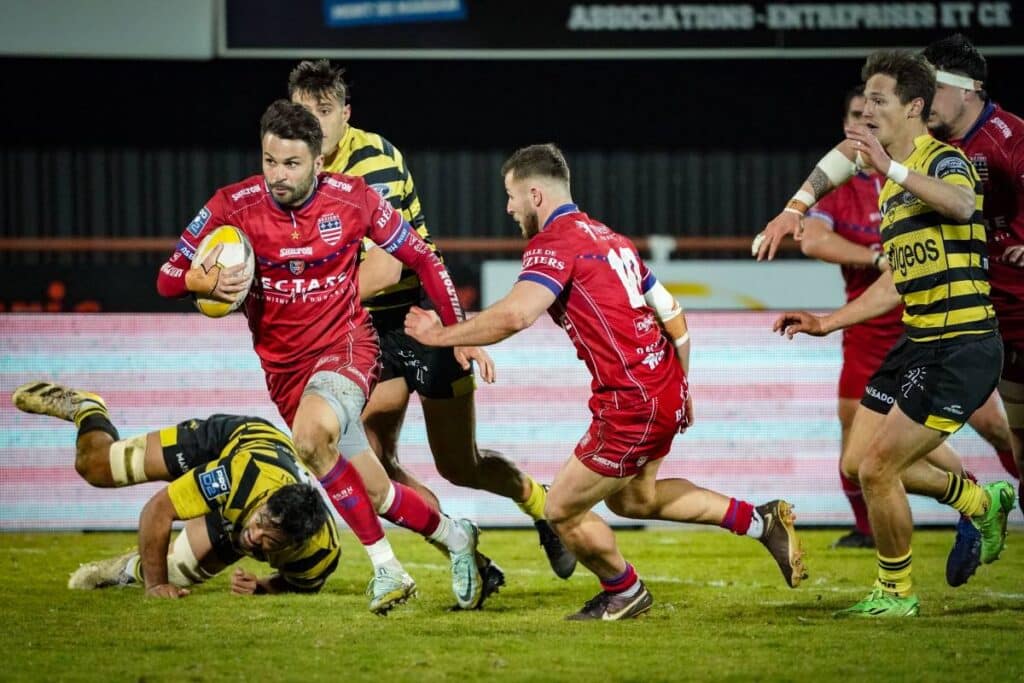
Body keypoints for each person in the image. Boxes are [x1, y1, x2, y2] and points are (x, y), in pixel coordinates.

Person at [404, 143, 807, 621]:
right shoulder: (613, 239)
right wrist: (681, 385)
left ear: (535, 194)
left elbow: (517, 314)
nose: (508, 208)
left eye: (511, 196)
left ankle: (624, 591)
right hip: (661, 384)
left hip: (633, 400)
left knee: (560, 509)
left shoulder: (556, 242)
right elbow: (672, 312)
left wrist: (441, 335)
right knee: (636, 498)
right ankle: (761, 521)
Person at [156, 100, 483, 614]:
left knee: (310, 439)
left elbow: (422, 256)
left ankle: (388, 570)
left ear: (318, 162)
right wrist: (200, 279)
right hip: (286, 374)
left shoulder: (353, 199)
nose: (278, 175)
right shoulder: (232, 205)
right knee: (375, 492)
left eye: (291, 164)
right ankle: (456, 537)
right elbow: (167, 277)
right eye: (270, 161)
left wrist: (458, 329)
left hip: (347, 348)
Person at [287, 59, 576, 580]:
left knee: (459, 465)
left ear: (346, 114)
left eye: (324, 112)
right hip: (366, 332)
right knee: (373, 467)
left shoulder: (372, 160)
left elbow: (387, 267)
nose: (314, 126)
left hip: (423, 319)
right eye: (304, 115)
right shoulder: (296, 175)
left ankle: (541, 506)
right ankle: (465, 554)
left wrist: (304, 300)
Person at [770, 50, 1016, 617]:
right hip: (917, 341)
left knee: (880, 468)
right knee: (858, 462)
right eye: (863, 102)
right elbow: (897, 282)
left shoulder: (945, 161)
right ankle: (980, 501)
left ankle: (897, 592)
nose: (866, 112)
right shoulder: (890, 185)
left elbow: (962, 204)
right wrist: (826, 321)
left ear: (913, 107)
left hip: (961, 344)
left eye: (878, 101)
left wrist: (891, 168)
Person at [11, 381, 338, 598]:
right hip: (232, 442)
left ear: (295, 544)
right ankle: (87, 407)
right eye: (261, 520)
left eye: (271, 540)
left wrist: (262, 587)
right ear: (265, 502)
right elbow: (158, 509)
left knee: (176, 573)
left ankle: (119, 570)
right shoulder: (241, 477)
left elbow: (300, 583)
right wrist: (155, 586)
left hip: (240, 504)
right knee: (95, 466)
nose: (255, 535)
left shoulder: (318, 554)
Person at [922, 34, 1024, 490]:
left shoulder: (1010, 138)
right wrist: (798, 206)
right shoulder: (928, 146)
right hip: (979, 317)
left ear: (970, 90)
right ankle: (978, 502)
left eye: (936, 88)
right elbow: (856, 150)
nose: (925, 99)